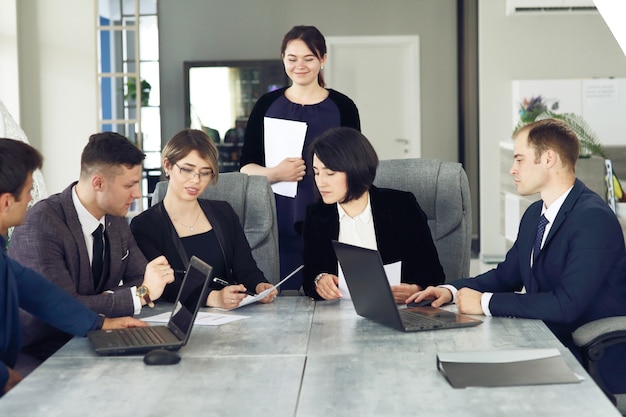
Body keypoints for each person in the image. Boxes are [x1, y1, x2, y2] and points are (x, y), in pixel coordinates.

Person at [407, 118, 626, 394]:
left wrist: (485, 302)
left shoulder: (593, 219)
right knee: (445, 370)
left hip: (590, 358)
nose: (513, 170)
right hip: (543, 341)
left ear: (548, 159)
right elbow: (506, 275)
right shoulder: (536, 214)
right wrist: (451, 290)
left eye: (520, 159)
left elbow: (567, 305)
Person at [8, 132, 174, 368]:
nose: (137, 194)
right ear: (98, 183)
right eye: (129, 185)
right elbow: (60, 305)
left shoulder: (115, 218)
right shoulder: (43, 223)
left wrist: (101, 301)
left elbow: (140, 275)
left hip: (97, 337)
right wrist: (141, 294)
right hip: (44, 352)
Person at [240, 25, 361, 291]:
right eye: (292, 59)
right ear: (283, 59)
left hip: (331, 216)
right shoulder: (266, 105)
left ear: (323, 60)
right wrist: (276, 174)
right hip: (277, 217)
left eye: (309, 58)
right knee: (282, 296)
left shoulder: (343, 107)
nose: (300, 66)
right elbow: (245, 168)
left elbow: (357, 167)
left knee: (331, 295)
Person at [130, 129, 277, 309]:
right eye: (187, 170)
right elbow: (166, 286)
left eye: (205, 172)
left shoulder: (224, 212)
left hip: (230, 316)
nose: (195, 180)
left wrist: (258, 285)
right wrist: (213, 297)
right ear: (167, 166)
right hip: (175, 315)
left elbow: (245, 267)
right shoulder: (145, 226)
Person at [302, 127, 445, 302]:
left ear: (356, 170)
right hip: (338, 315)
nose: (320, 182)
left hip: (396, 312)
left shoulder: (401, 206)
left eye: (330, 173)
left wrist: (415, 289)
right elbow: (309, 275)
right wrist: (319, 280)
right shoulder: (316, 215)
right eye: (316, 172)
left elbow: (433, 272)